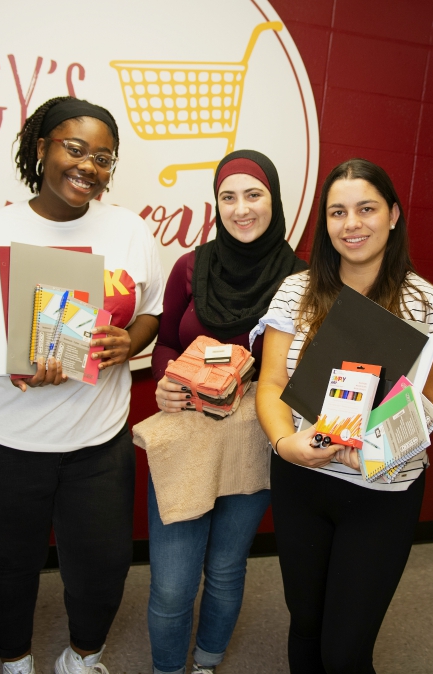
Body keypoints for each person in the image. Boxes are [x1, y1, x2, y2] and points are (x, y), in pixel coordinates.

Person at [0, 97, 165, 674]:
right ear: (41, 148)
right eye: (73, 148)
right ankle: (16, 661)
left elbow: (150, 312)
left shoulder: (130, 232)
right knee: (9, 563)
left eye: (103, 157)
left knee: (104, 564)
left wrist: (129, 342)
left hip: (97, 441)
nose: (88, 166)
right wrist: (12, 356)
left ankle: (83, 658)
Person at [253, 158, 433, 673]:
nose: (352, 224)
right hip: (302, 480)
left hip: (382, 493)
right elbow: (272, 384)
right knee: (304, 625)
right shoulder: (296, 292)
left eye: (366, 209)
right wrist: (287, 445)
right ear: (324, 225)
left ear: (393, 214)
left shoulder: (427, 303)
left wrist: (373, 453)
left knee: (345, 651)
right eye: (337, 212)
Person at [148, 150, 306, 674]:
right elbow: (166, 344)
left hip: (252, 438)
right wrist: (167, 381)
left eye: (253, 194)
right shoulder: (190, 267)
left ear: (274, 200)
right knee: (172, 581)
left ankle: (207, 663)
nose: (241, 209)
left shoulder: (300, 281)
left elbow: (306, 372)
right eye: (228, 196)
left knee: (224, 568)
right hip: (185, 435)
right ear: (216, 204)